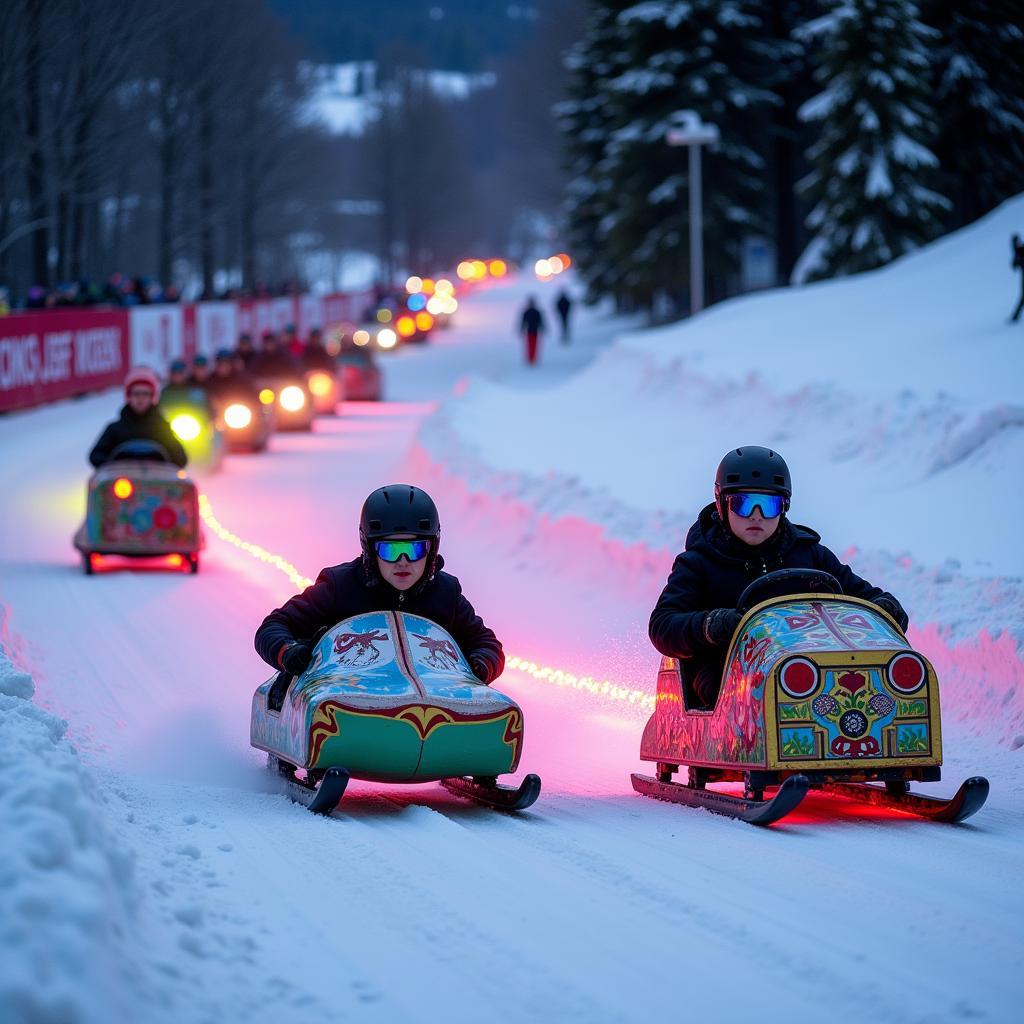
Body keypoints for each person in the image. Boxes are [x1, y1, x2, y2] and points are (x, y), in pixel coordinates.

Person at [649, 446, 907, 709]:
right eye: (744, 503)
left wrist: (884, 608)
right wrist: (711, 624)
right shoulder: (699, 563)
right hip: (727, 672)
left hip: (809, 664)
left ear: (784, 507)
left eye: (769, 505)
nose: (756, 516)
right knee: (749, 691)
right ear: (722, 503)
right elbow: (663, 625)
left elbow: (860, 593)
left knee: (864, 681)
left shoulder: (809, 554)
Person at [254, 485, 504, 688]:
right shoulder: (339, 586)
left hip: (428, 694)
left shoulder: (445, 593)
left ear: (432, 549)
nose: (403, 561)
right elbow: (272, 628)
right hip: (346, 689)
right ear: (370, 550)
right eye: (390, 550)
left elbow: (488, 644)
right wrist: (289, 653)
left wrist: (479, 666)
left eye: (415, 549)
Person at [88, 368, 187, 468]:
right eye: (136, 394)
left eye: (145, 394)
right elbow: (95, 456)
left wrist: (161, 465)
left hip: (156, 480)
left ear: (152, 397)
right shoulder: (115, 429)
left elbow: (181, 458)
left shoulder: (162, 429)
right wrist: (116, 465)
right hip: (123, 480)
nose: (140, 399)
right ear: (128, 397)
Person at [519, 297, 545, 366]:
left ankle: (532, 359)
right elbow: (523, 321)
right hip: (530, 331)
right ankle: (530, 359)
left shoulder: (534, 312)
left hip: (534, 331)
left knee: (534, 346)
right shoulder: (529, 312)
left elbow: (541, 321)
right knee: (530, 346)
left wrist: (543, 327)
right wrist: (521, 328)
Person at [1011, 234, 1024, 323]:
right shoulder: (1017, 253)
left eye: (1018, 241)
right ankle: (1015, 316)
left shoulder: (1022, 250)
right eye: (1016, 242)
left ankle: (1015, 316)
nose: (1017, 243)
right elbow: (1014, 266)